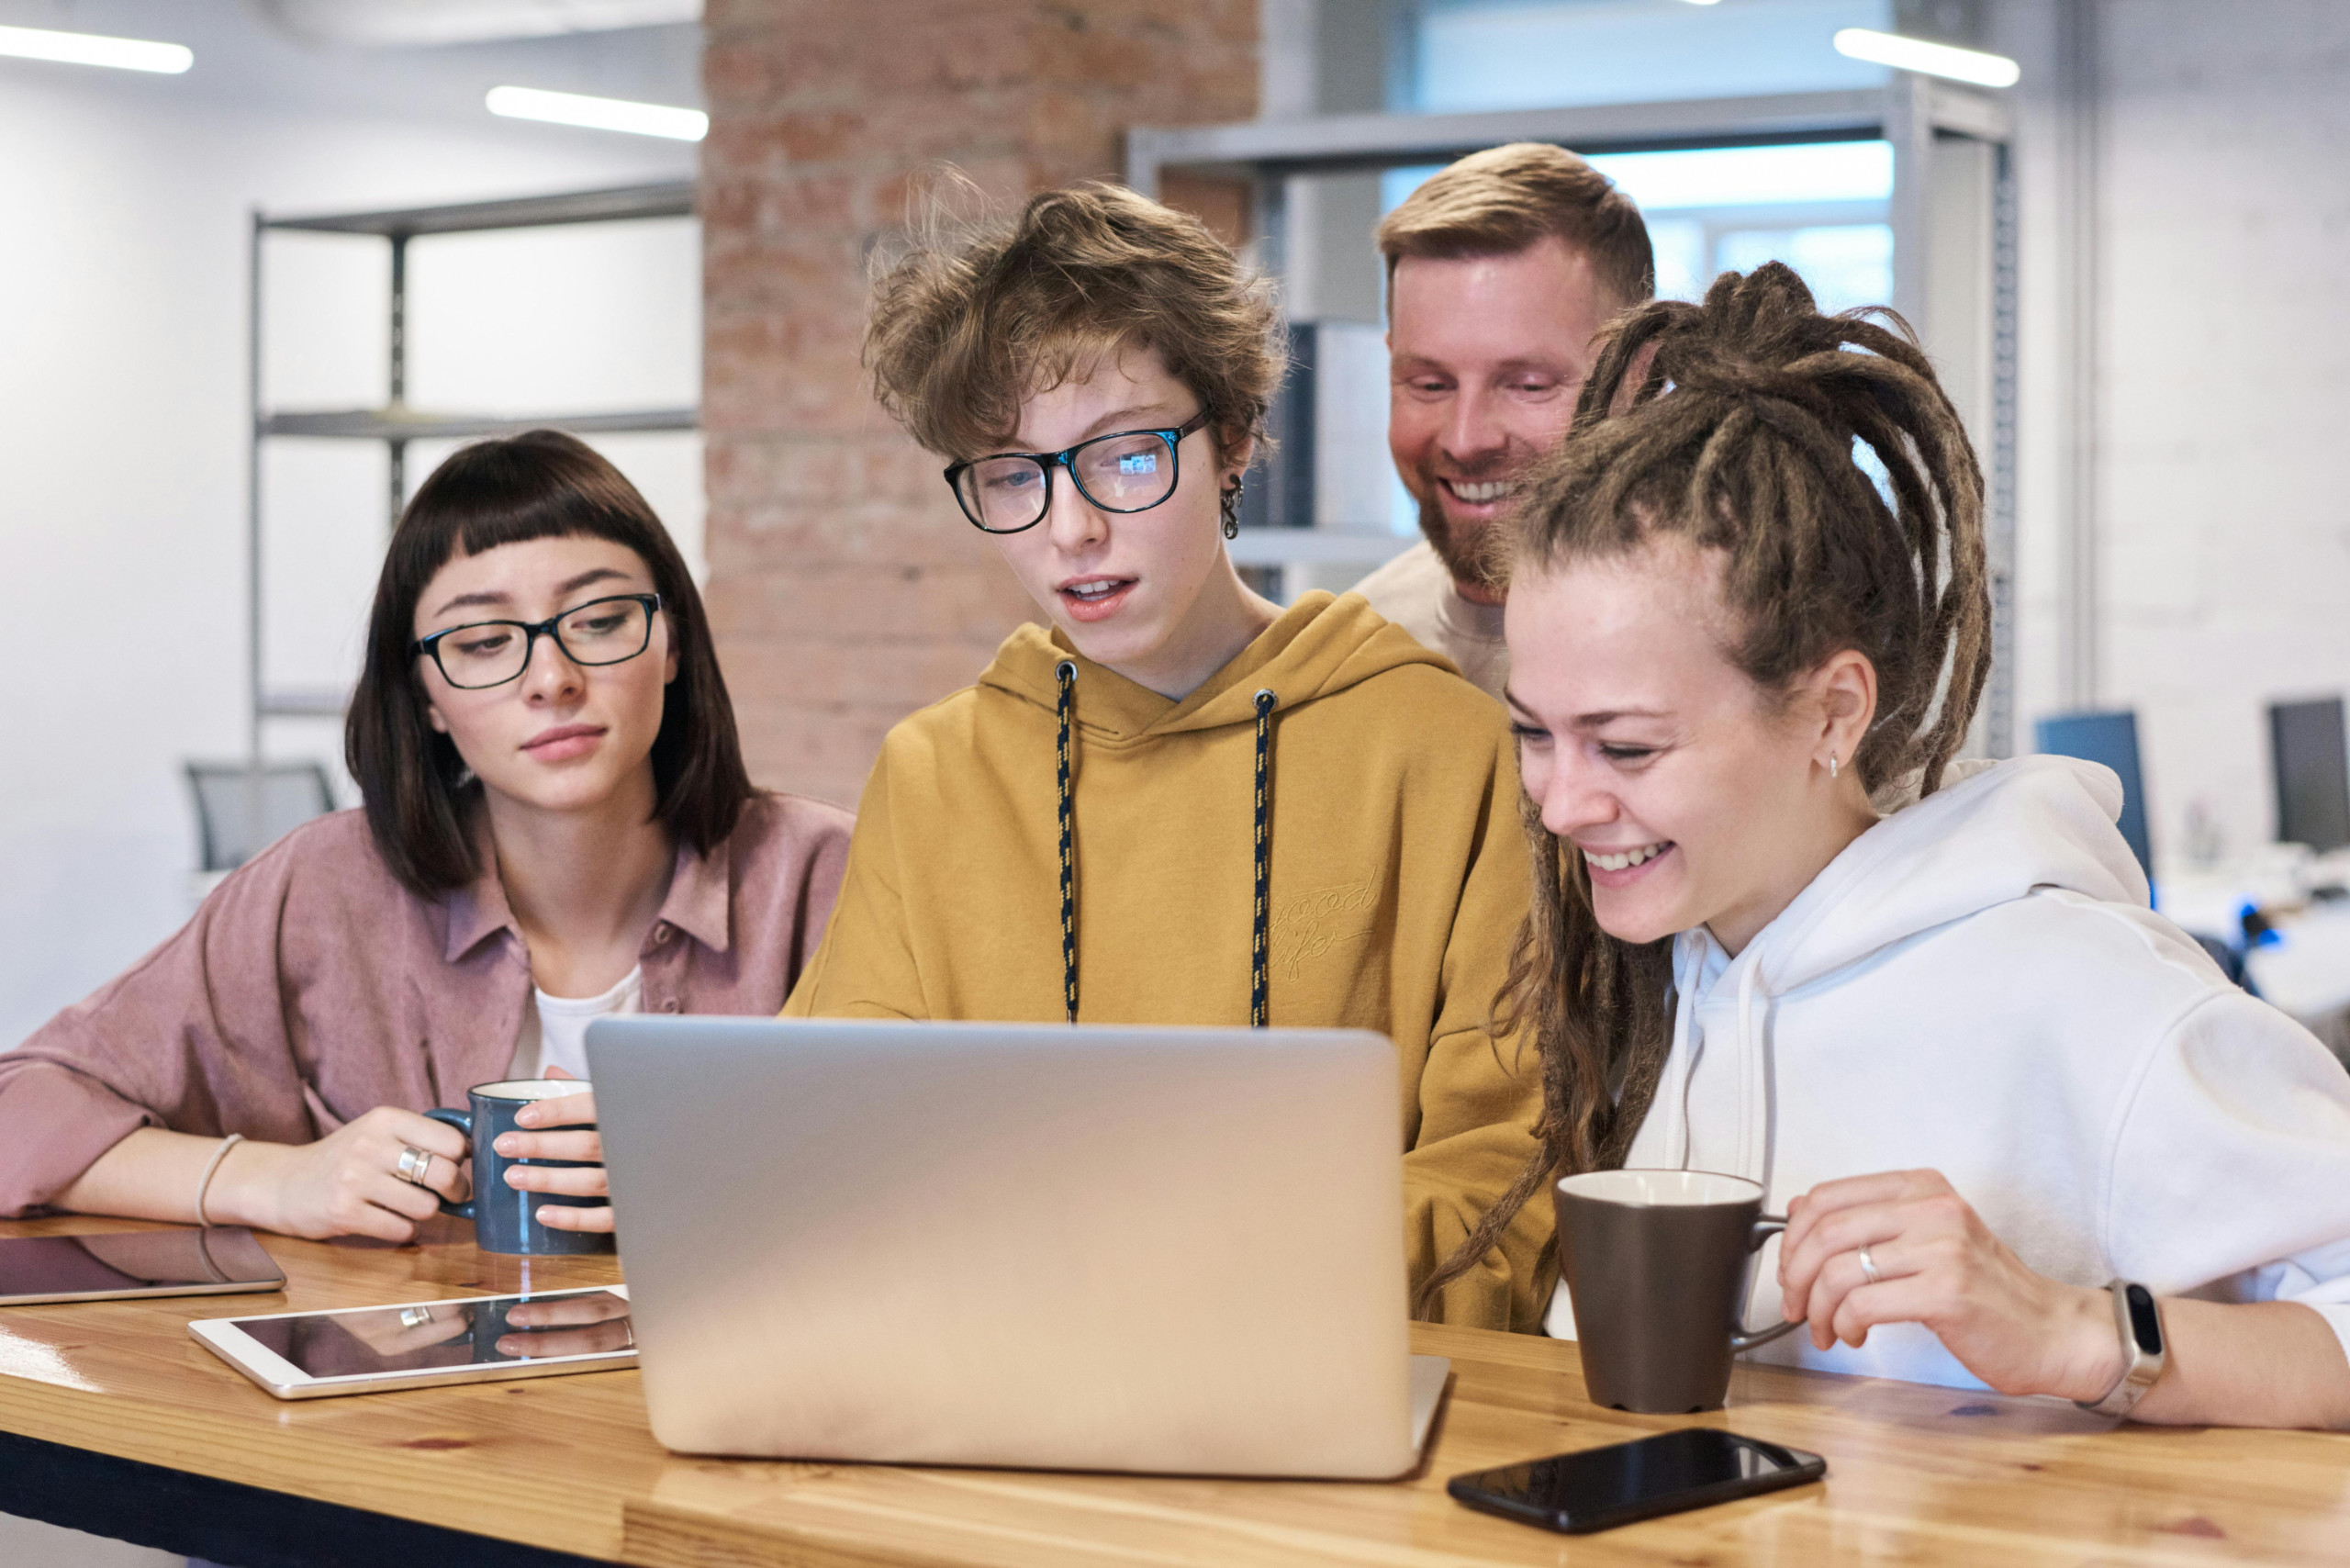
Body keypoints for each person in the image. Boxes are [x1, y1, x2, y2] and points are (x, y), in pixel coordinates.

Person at [1430, 262, 2350, 1426]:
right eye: (1534, 734)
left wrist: (2073, 1330)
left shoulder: (2079, 992)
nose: (1560, 806)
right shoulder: (1667, 970)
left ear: (1830, 713)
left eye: (1623, 748)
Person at [786, 183, 1550, 1329]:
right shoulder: (935, 772)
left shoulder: (1440, 749)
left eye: (1125, 457)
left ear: (1232, 437)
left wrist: (1218, 1270)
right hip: (992, 1379)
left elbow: (1504, 1171)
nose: (1069, 529)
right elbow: (825, 1132)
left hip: (1312, 1377)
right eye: (1012, 474)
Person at [0, 431, 852, 1242]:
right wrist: (275, 1180)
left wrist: (715, 1181)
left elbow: (965, 1173)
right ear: (429, 701)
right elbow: (19, 1112)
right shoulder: (326, 891)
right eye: (483, 642)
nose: (551, 679)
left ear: (671, 644)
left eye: (597, 620)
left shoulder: (827, 878)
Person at [1350, 142, 1653, 701]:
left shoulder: (1766, 646)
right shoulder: (1358, 656)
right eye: (1430, 384)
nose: (1467, 440)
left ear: (1643, 373)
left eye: (1528, 385)